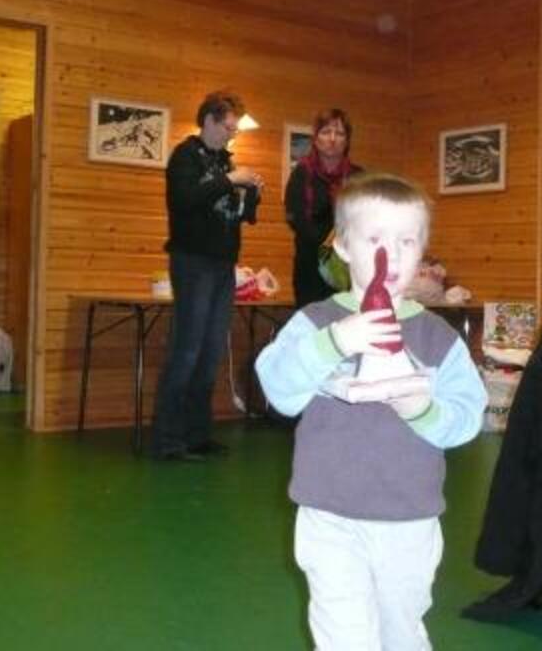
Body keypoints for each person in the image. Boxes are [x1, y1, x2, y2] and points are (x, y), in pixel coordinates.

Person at [256, 173, 486, 650]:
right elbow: (278, 390)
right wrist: (336, 342)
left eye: (407, 241)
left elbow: (467, 418)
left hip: (410, 519)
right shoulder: (315, 323)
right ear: (343, 246)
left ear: (423, 251)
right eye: (375, 240)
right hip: (329, 516)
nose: (392, 255)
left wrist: (422, 409)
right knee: (345, 637)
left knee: (402, 632)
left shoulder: (439, 338)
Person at [150, 90, 263, 462]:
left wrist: (251, 194)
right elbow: (184, 200)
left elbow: (241, 217)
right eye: (228, 127)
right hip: (192, 263)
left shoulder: (224, 161)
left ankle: (197, 435)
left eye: (234, 129)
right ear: (209, 121)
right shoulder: (185, 156)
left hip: (222, 266)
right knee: (187, 350)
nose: (232, 135)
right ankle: (168, 439)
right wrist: (231, 180)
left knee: (211, 351)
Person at [285, 108, 362, 307]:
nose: (332, 139)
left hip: (349, 266)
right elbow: (295, 218)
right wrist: (327, 244)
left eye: (340, 133)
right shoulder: (302, 173)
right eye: (326, 132)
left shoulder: (358, 177)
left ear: (347, 140)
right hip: (310, 266)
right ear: (316, 139)